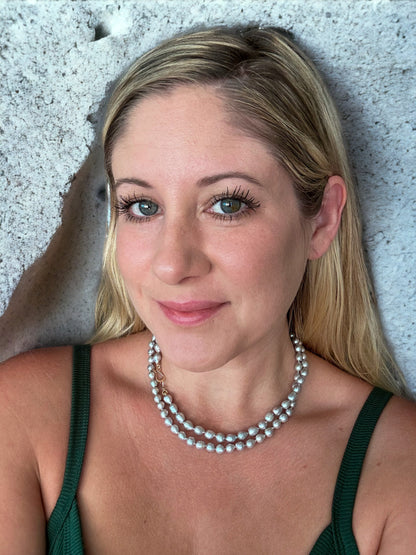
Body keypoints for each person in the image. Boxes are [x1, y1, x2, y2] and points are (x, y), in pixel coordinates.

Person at [0, 25, 415, 554]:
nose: (173, 264)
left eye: (227, 204)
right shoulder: (23, 414)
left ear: (322, 220)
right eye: (142, 206)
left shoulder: (399, 467)